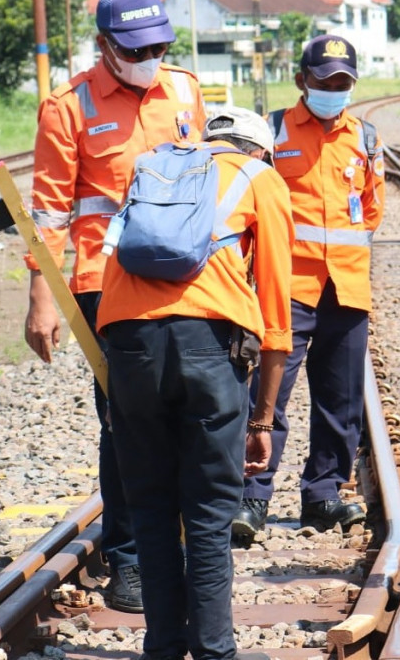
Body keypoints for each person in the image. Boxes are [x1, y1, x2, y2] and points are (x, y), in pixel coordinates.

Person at [24, 0, 206, 613]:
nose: (148, 55)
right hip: (107, 286)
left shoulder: (183, 87)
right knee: (128, 423)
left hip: (188, 279)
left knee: (190, 414)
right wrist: (42, 297)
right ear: (105, 45)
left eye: (158, 44)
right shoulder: (67, 107)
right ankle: (130, 559)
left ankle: (184, 546)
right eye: (136, 46)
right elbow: (48, 209)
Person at [96, 107, 292, 660]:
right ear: (259, 150)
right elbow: (278, 317)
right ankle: (213, 650)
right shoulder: (261, 178)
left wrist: (117, 385)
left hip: (129, 345)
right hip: (208, 348)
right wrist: (262, 420)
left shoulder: (155, 168)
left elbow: (113, 271)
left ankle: (163, 647)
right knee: (207, 514)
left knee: (152, 507)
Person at [232, 34, 385, 537]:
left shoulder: (365, 138)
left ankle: (323, 495)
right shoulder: (273, 131)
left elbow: (373, 209)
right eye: (325, 82)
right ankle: (251, 498)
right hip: (286, 286)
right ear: (302, 81)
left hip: (346, 288)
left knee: (340, 400)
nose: (334, 90)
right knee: (267, 394)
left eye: (343, 83)